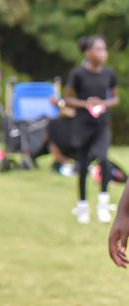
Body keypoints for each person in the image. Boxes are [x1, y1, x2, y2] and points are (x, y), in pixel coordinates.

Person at [64, 35, 119, 224]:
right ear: (88, 53)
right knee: (83, 164)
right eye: (98, 49)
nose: (102, 53)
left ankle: (104, 204)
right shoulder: (78, 73)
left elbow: (115, 98)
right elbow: (68, 98)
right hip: (83, 124)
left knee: (104, 159)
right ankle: (83, 206)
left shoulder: (109, 73)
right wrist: (86, 104)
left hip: (102, 124)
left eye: (104, 49)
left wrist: (103, 103)